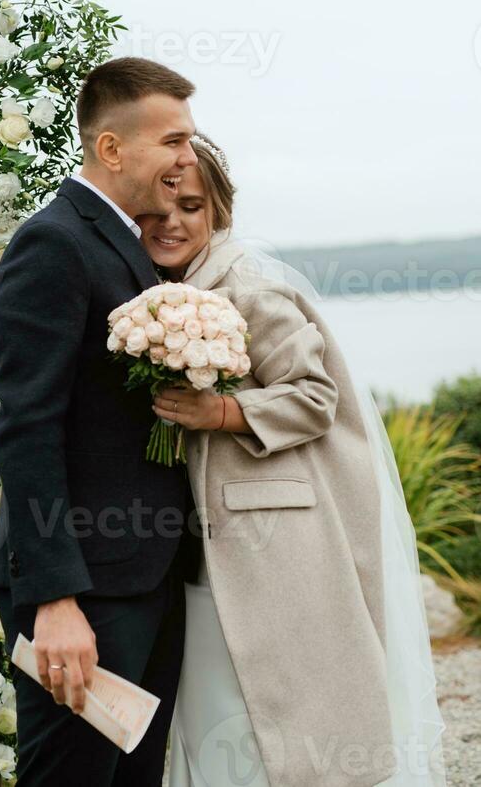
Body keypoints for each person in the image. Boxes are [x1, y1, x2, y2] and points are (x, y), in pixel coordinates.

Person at [136, 133, 448, 787]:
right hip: (199, 557)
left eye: (190, 207)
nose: (171, 224)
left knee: (268, 727)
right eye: (153, 212)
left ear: (218, 209)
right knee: (219, 722)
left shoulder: (248, 287)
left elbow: (315, 396)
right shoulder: (157, 293)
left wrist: (221, 413)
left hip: (266, 549)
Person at [0, 56, 202, 786]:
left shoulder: (121, 243)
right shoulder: (54, 243)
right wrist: (55, 600)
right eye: (172, 140)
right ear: (111, 149)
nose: (186, 157)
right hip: (85, 594)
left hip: (146, 579)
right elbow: (26, 426)